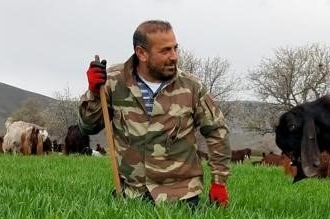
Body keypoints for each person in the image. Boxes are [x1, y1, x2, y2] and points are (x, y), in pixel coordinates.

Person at [79, 20, 231, 206]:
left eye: (175, 48)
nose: (174, 56)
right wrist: (94, 93)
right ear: (141, 53)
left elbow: (217, 131)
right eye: (165, 51)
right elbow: (88, 126)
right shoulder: (112, 81)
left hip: (182, 196)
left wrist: (219, 182)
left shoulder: (192, 86)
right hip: (131, 194)